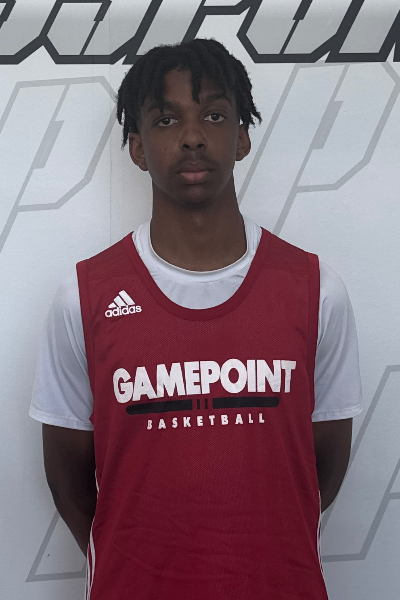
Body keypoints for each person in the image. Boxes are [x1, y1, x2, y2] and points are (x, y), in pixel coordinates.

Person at [29, 38, 363, 600]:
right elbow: (69, 477)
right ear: (137, 148)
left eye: (213, 115)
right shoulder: (82, 297)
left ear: (243, 136)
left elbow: (319, 469)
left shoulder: (316, 290)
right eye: (166, 120)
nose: (191, 137)